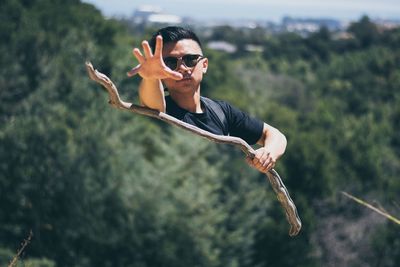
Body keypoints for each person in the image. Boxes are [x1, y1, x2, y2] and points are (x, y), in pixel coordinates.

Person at [128, 26, 286, 173]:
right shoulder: (162, 111)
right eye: (170, 63)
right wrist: (150, 78)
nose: (183, 67)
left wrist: (268, 153)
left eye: (190, 59)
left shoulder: (221, 111)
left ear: (204, 65)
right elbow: (152, 108)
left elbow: (273, 134)